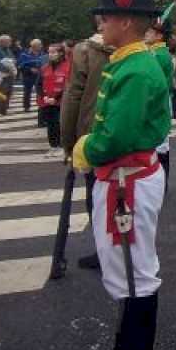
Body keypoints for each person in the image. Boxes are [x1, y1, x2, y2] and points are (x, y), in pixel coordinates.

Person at [71, 0, 170, 350]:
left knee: (135, 276)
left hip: (127, 181)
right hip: (122, 178)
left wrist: (87, 148)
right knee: (124, 273)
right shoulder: (127, 60)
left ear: (126, 22)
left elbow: (120, 134)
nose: (101, 22)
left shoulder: (135, 65)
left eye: (106, 16)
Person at [57, 18, 112, 276]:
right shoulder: (143, 52)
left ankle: (105, 249)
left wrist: (68, 143)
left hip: (93, 135)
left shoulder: (85, 51)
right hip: (129, 140)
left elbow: (73, 97)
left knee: (97, 196)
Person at [145, 6, 175, 189]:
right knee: (160, 143)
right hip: (160, 101)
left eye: (150, 31)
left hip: (158, 102)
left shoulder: (158, 55)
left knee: (160, 144)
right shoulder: (156, 53)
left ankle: (161, 183)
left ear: (159, 36)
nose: (146, 34)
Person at [35, 43, 71, 159]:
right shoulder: (45, 67)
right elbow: (39, 84)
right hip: (47, 101)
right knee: (50, 125)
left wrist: (55, 98)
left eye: (53, 52)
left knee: (60, 124)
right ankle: (53, 146)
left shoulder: (68, 67)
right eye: (49, 52)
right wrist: (44, 96)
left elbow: (68, 86)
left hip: (61, 101)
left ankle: (62, 146)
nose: (50, 55)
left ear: (61, 53)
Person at [17, 39, 46, 112]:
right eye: (39, 45)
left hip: (39, 75)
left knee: (40, 91)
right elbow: (20, 65)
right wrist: (30, 69)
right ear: (34, 46)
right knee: (27, 91)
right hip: (28, 76)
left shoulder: (42, 54)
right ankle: (26, 107)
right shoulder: (25, 54)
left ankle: (40, 105)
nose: (41, 46)